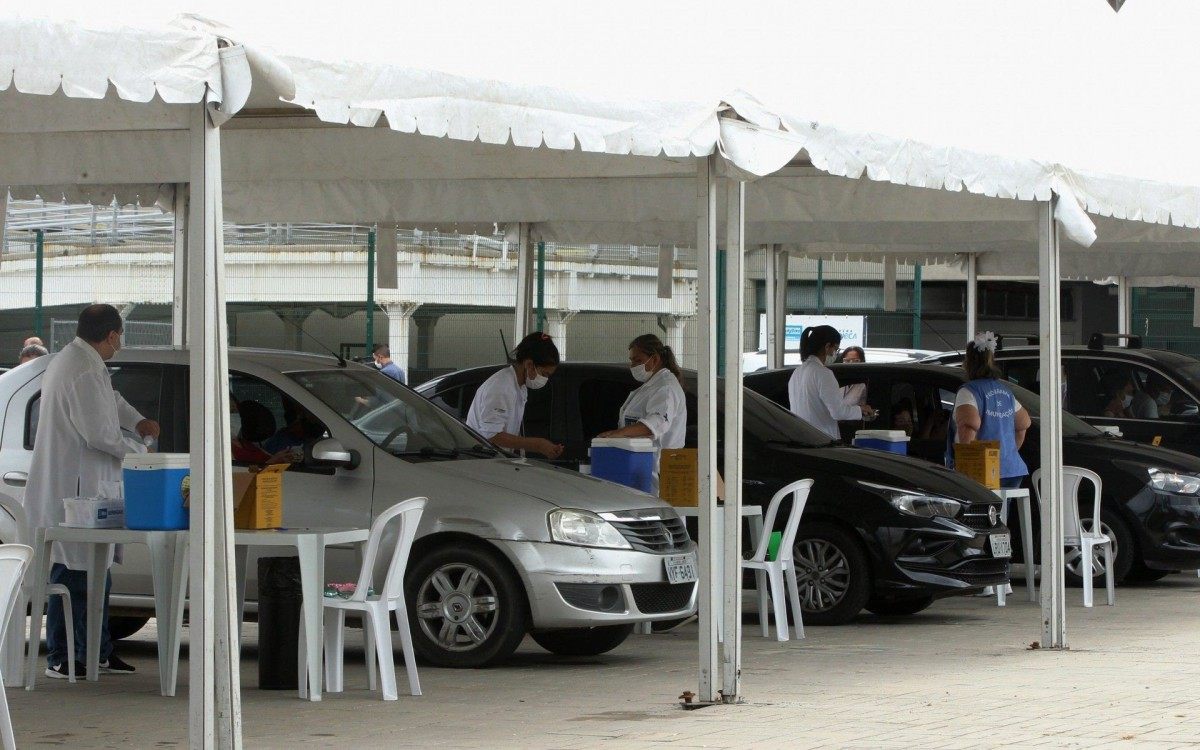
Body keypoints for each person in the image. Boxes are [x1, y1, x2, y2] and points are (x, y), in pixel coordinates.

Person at [23, 305, 160, 679]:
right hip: (74, 489)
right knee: (74, 574)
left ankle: (97, 651)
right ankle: (63, 657)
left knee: (97, 573)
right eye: (120, 337)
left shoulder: (83, 361)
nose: (120, 344)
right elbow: (98, 433)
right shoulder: (80, 368)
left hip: (88, 489)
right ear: (113, 335)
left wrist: (137, 420)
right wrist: (140, 452)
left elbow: (109, 401)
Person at [946, 332, 1031, 489]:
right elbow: (1023, 423)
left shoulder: (969, 391)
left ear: (969, 362)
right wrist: (1007, 453)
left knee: (982, 513)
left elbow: (970, 424)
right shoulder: (1005, 391)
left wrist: (967, 467)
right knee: (1002, 512)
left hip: (981, 472)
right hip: (1012, 468)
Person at [465, 332, 563, 458]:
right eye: (544, 374)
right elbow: (491, 435)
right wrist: (538, 445)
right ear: (529, 365)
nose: (545, 379)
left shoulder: (520, 387)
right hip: (483, 463)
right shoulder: (501, 387)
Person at [598, 334, 688, 451]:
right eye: (632, 360)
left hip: (657, 464)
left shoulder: (666, 388)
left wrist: (618, 434)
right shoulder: (651, 385)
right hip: (639, 461)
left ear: (655, 359)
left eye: (638, 360)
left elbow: (658, 422)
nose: (633, 365)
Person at [788, 325, 876, 440]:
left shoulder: (796, 373)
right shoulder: (823, 373)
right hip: (822, 441)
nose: (835, 353)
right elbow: (838, 412)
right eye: (836, 349)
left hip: (802, 439)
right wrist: (860, 410)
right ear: (827, 346)